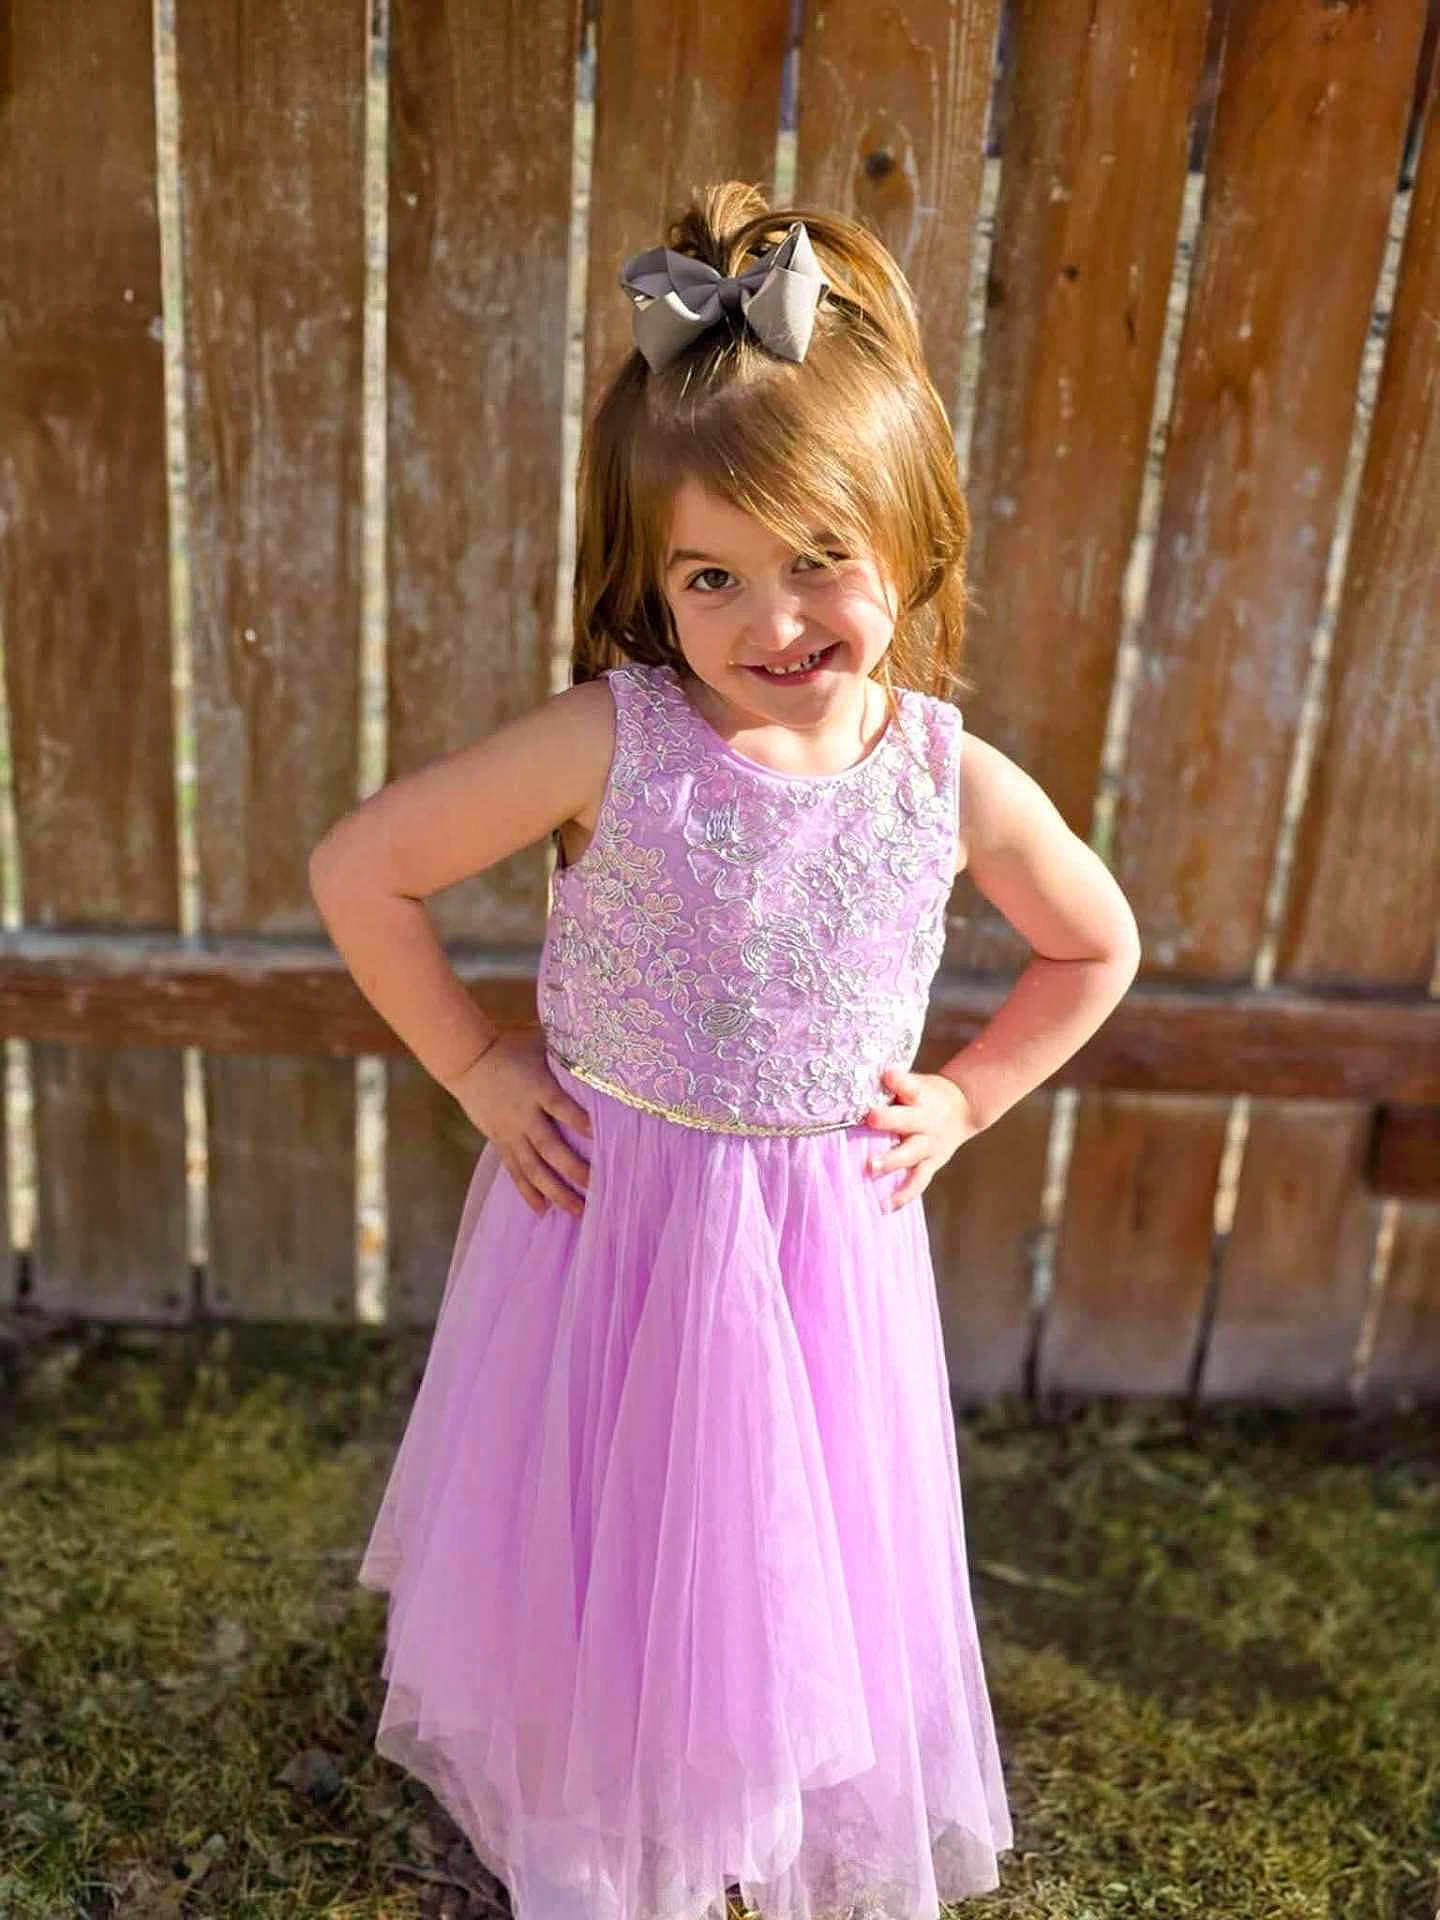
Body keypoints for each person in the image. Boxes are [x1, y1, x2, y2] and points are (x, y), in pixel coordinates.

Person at [309, 180, 1141, 1920]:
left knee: (780, 1560)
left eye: (820, 558)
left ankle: (742, 1813)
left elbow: (1095, 945)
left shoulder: (950, 780)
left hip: (820, 1261)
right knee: (604, 1559)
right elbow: (363, 869)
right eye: (713, 576)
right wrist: (479, 1067)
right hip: (612, 1231)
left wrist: (970, 1093)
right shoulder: (610, 742)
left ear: (912, 541)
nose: (774, 620)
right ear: (654, 582)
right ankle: (598, 1843)